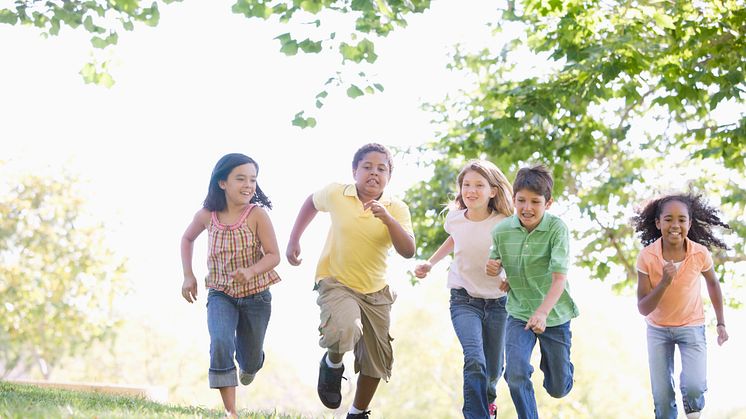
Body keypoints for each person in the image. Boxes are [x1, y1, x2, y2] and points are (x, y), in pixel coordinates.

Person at [286, 143, 415, 419]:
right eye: (367, 167)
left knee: (377, 359)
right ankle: (333, 364)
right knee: (345, 329)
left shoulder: (397, 208)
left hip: (376, 292)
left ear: (389, 176)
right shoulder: (336, 193)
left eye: (382, 169)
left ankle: (357, 413)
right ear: (354, 170)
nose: (374, 173)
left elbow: (408, 251)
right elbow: (311, 202)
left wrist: (389, 220)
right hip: (336, 281)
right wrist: (294, 238)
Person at [180, 153, 281, 419]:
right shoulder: (207, 215)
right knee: (221, 341)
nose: (248, 185)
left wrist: (251, 271)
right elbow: (187, 238)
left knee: (247, 361)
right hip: (220, 294)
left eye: (252, 180)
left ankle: (253, 362)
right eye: (241, 179)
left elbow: (273, 255)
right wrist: (188, 275)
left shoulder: (257, 215)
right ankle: (231, 412)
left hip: (256, 297)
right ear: (222, 182)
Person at [414, 160, 514, 419]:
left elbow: (516, 254)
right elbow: (454, 238)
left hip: (498, 303)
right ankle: (475, 415)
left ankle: (488, 403)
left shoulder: (504, 222)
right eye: (466, 184)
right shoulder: (455, 218)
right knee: (474, 359)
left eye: (479, 185)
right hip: (463, 299)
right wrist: (431, 263)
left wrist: (509, 277)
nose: (471, 190)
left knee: (493, 370)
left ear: (493, 191)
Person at [485, 164, 578, 419]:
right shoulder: (502, 231)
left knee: (558, 389)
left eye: (535, 202)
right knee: (514, 373)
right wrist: (496, 271)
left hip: (555, 314)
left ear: (548, 203)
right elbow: (497, 265)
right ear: (513, 199)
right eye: (521, 201)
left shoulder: (557, 229)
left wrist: (543, 313)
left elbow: (559, 278)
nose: (527, 208)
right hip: (518, 312)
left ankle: (558, 365)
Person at [633, 193, 730, 419]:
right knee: (663, 396)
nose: (674, 225)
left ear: (689, 223)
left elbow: (713, 283)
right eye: (668, 219)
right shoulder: (647, 257)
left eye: (681, 219)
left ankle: (693, 411)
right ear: (658, 223)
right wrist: (665, 283)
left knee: (695, 386)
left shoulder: (699, 253)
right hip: (657, 330)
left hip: (691, 326)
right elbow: (643, 308)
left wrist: (721, 323)